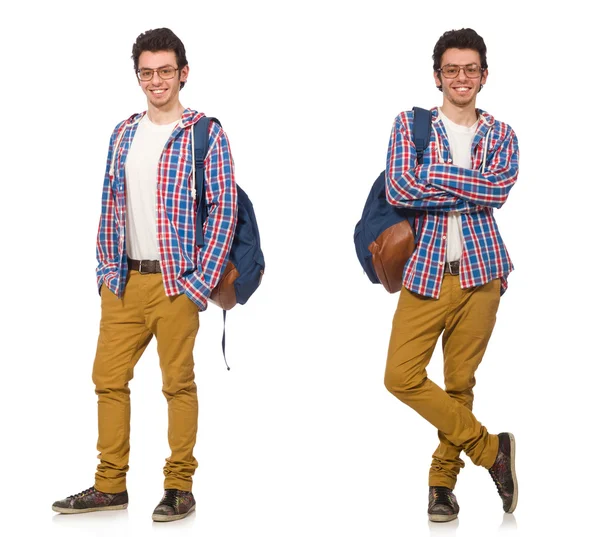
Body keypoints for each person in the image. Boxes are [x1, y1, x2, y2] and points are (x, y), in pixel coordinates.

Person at [52, 28, 237, 522]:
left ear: (183, 73)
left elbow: (224, 212)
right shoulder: (123, 132)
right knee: (107, 379)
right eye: (147, 72)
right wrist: (104, 270)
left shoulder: (206, 133)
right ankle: (110, 485)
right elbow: (110, 203)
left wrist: (200, 282)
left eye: (165, 71)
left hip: (178, 283)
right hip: (123, 281)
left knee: (177, 383)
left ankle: (179, 487)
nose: (157, 81)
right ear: (139, 75)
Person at [383, 28, 519, 523]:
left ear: (484, 75)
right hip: (426, 276)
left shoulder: (502, 134)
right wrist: (470, 187)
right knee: (400, 376)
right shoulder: (410, 125)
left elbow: (498, 190)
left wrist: (434, 175)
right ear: (437, 75)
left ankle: (442, 484)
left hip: (483, 275)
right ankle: (490, 451)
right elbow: (400, 188)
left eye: (470, 69)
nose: (461, 78)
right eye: (451, 69)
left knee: (459, 384)